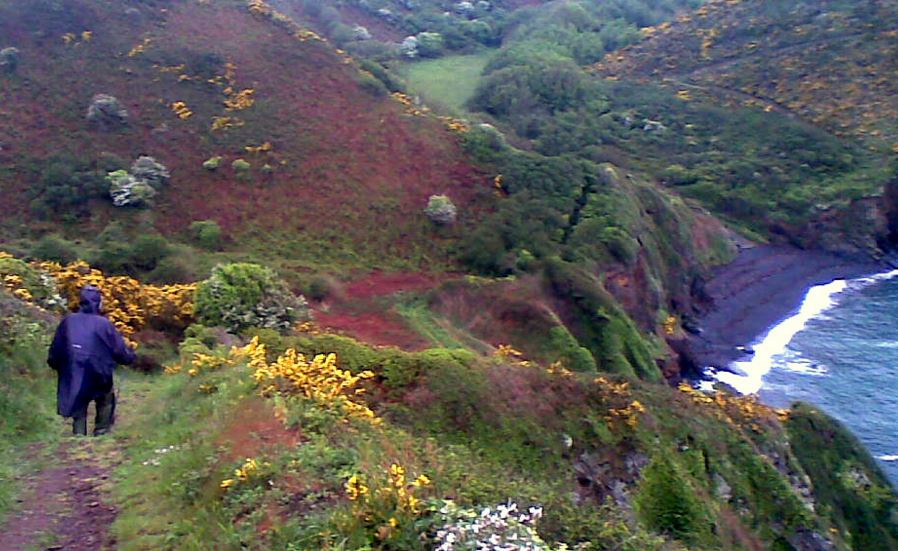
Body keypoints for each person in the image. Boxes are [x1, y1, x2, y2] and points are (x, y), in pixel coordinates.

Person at [47, 285, 135, 436]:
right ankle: (102, 431)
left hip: (74, 370)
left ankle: (78, 435)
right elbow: (119, 350)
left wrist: (56, 364)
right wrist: (129, 358)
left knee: (78, 399)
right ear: (98, 303)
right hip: (99, 372)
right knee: (105, 398)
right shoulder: (104, 324)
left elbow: (57, 348)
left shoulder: (68, 321)